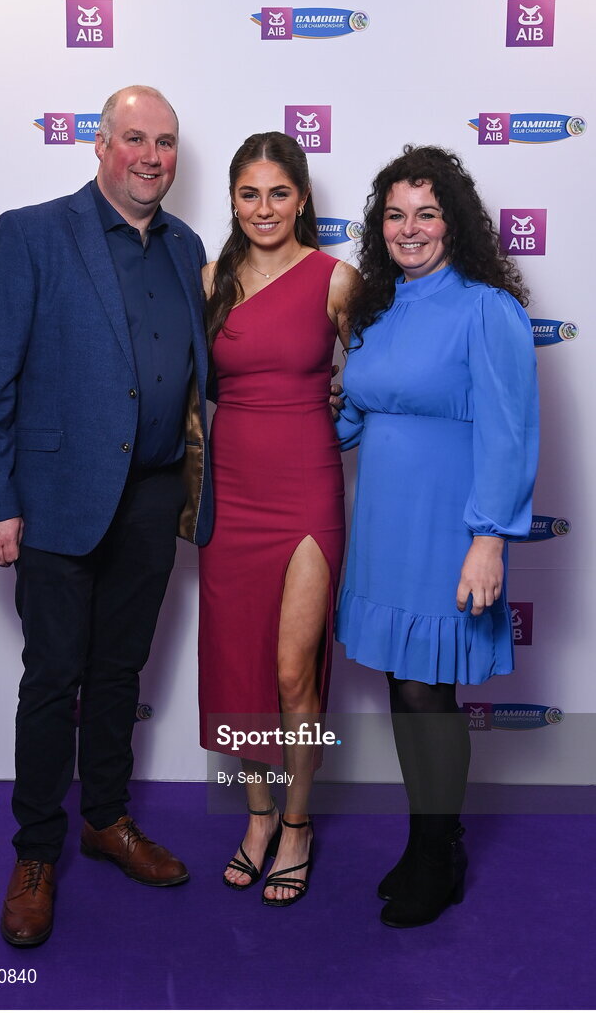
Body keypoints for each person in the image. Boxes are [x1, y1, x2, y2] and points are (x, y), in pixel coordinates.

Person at [0, 86, 213, 947]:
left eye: (166, 143)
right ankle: (36, 852)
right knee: (52, 679)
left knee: (119, 676)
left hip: (150, 496)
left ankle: (106, 822)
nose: (151, 156)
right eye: (134, 139)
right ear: (99, 145)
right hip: (58, 498)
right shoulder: (31, 232)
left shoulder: (186, 247)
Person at [335, 145, 539, 927]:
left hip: (447, 524)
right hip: (383, 523)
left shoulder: (486, 308)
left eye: (426, 213)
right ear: (378, 226)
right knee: (401, 683)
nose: (409, 228)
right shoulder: (379, 310)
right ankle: (425, 839)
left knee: (427, 690)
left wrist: (488, 539)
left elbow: (509, 428)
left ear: (453, 224)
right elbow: (355, 416)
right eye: (395, 214)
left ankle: (438, 851)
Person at [198, 132, 358, 906]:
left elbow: (381, 375)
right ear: (232, 199)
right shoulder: (209, 280)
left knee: (295, 671)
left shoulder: (337, 279)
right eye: (249, 193)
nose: (264, 209)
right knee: (240, 671)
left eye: (279, 193)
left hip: (306, 491)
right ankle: (256, 816)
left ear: (302, 198)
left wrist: (344, 399)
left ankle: (297, 822)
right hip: (230, 493)